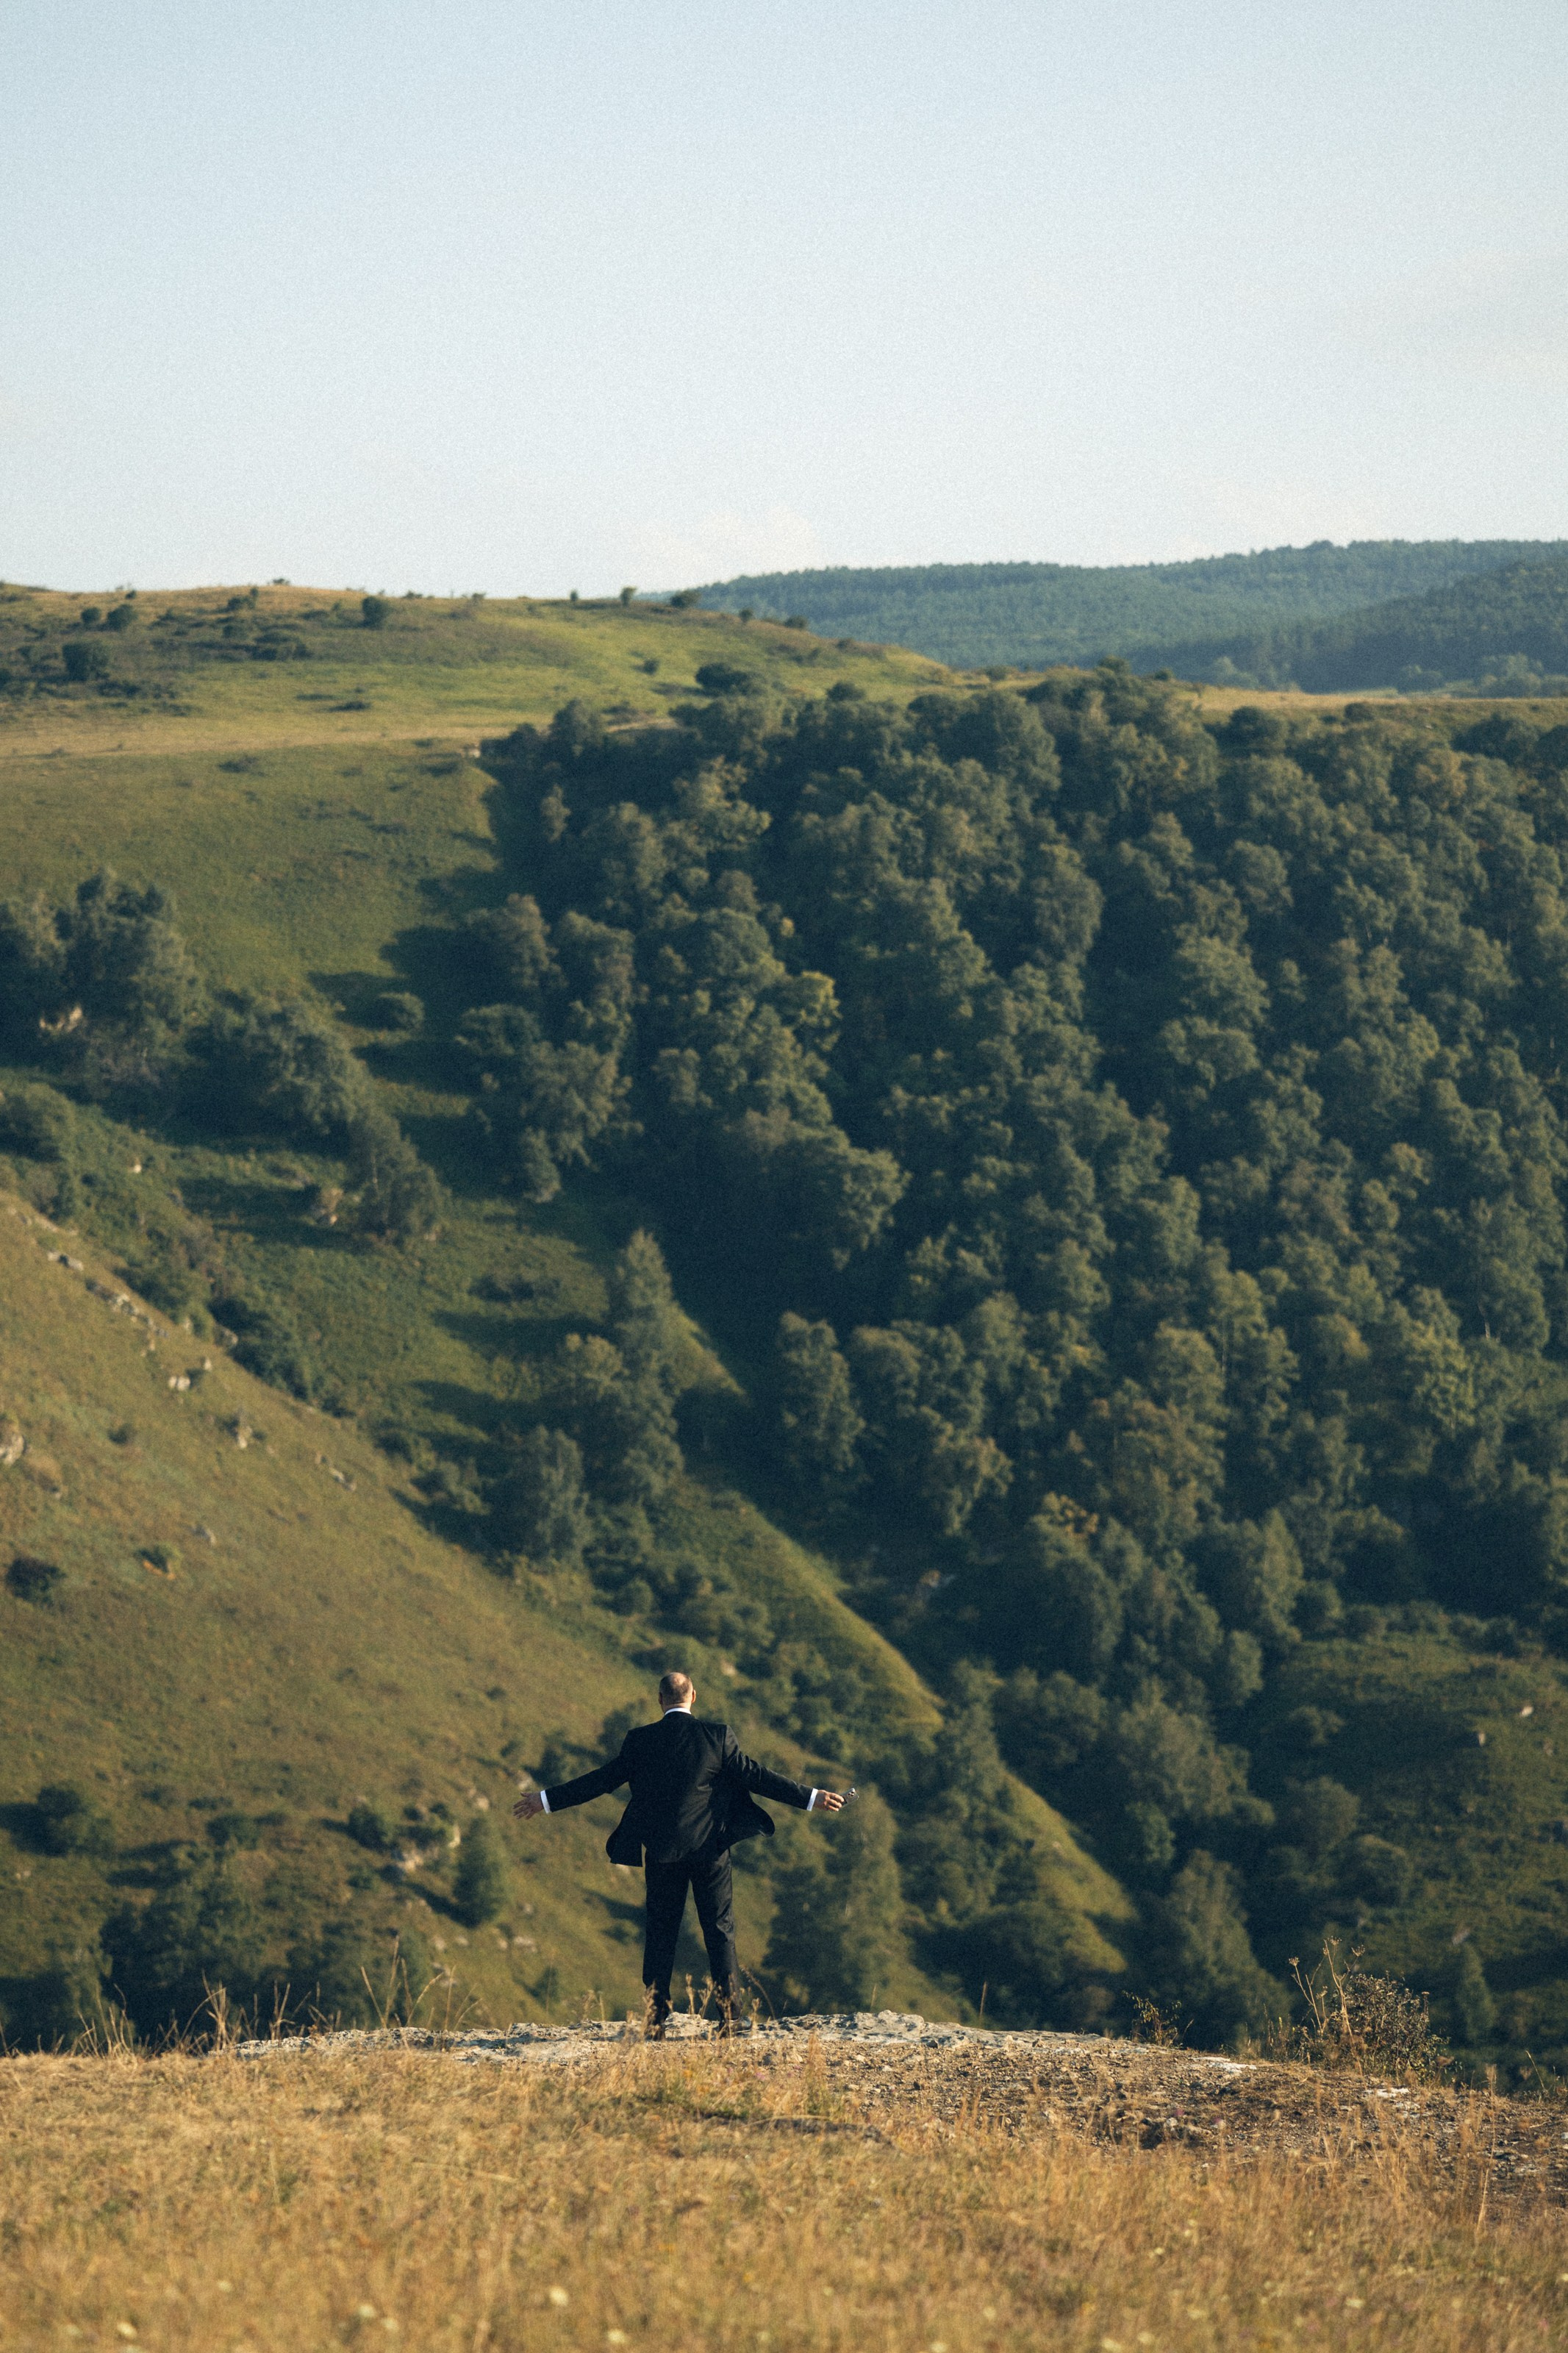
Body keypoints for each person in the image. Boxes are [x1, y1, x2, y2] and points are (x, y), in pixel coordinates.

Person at [514, 1668, 845, 2035]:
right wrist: (811, 1797)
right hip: (710, 1851)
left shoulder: (640, 1740)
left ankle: (656, 2021)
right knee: (719, 1930)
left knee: (660, 1931)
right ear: (694, 1696)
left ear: (660, 1700)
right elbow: (758, 1776)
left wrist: (545, 1800)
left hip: (662, 1852)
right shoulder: (717, 1737)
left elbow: (601, 1780)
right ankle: (730, 2019)